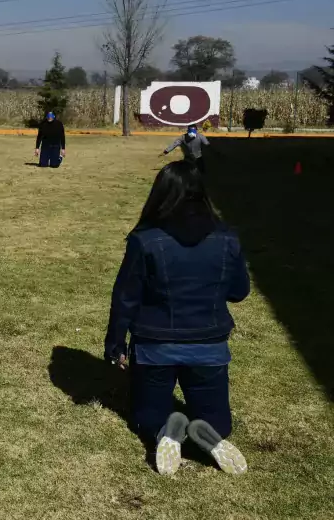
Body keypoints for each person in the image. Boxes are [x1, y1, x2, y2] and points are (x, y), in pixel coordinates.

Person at [104, 161, 250, 476]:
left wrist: (115, 343)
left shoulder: (145, 239)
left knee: (145, 418)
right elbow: (239, 291)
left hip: (154, 348)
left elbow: (126, 297)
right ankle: (212, 434)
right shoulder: (227, 237)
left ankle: (165, 431)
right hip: (209, 348)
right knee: (218, 422)